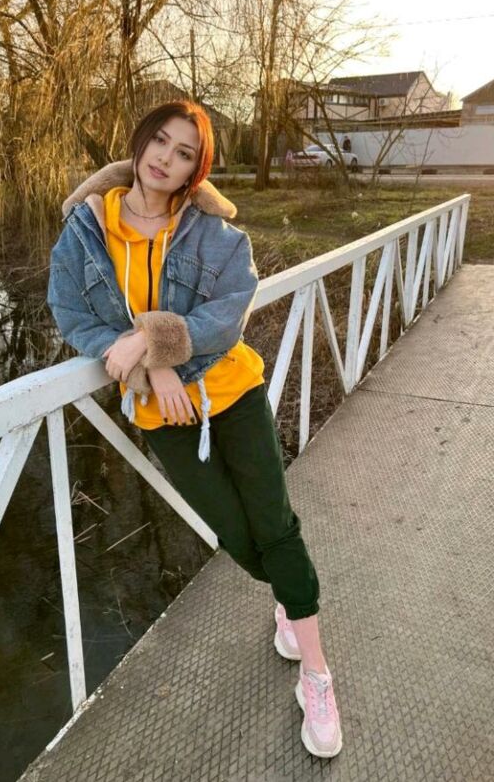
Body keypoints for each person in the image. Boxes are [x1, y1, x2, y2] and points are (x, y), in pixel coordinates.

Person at [47, 99, 343, 758]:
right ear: (139, 142)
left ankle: (317, 673)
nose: (166, 158)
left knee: (275, 526)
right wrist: (148, 367)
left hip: (234, 392)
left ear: (195, 169)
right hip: (167, 416)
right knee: (236, 535)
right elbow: (71, 315)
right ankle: (290, 600)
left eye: (185, 153)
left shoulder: (213, 233)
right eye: (160, 140)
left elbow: (227, 315)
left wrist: (155, 342)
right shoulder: (85, 232)